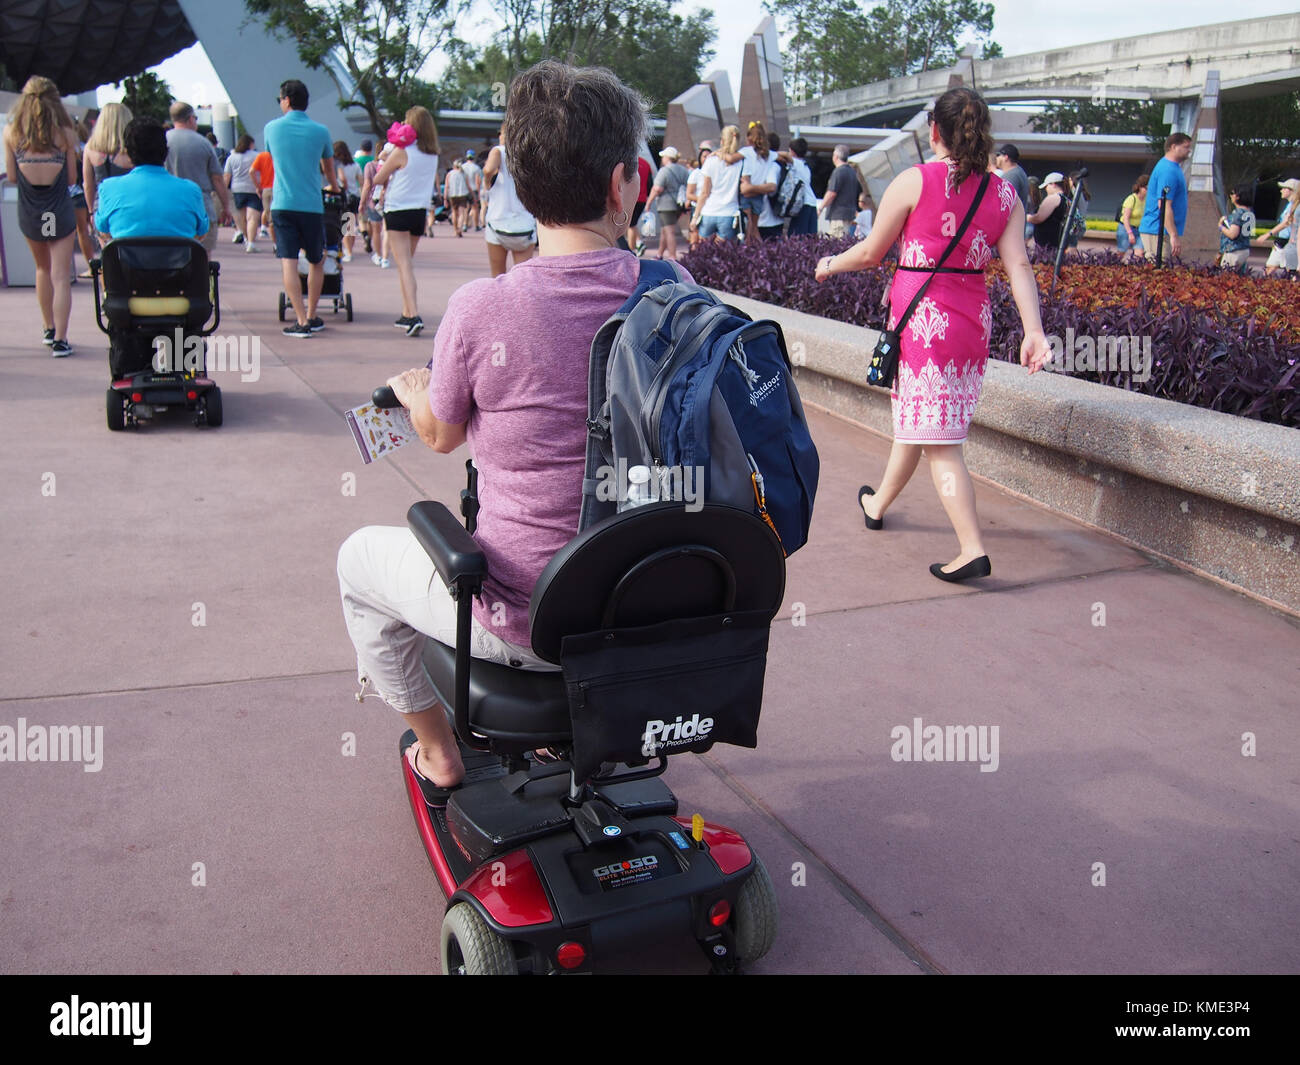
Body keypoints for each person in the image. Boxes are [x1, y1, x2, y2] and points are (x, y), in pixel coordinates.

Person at [336, 60, 693, 803]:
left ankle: (438, 754)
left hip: (530, 624)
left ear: (521, 190)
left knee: (357, 563)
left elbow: (439, 435)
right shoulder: (677, 297)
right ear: (624, 183)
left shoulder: (481, 307)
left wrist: (410, 391)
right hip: (656, 607)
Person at [814, 87, 1051, 582]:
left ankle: (971, 548)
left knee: (941, 442)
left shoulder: (913, 180)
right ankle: (877, 503)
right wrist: (1034, 330)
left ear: (935, 132)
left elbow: (870, 254)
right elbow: (1020, 264)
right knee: (923, 419)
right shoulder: (1004, 192)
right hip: (970, 326)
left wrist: (828, 265)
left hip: (924, 326)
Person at [4, 76, 79, 356]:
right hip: (58, 208)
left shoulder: (12, 133)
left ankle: (48, 328)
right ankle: (61, 338)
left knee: (42, 269)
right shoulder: (66, 135)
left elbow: (12, 176)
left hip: (31, 209)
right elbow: (71, 177)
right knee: (61, 275)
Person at [264, 78, 336, 338]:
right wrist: (335, 187)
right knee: (317, 259)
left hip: (283, 203)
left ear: (286, 100)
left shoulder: (271, 129)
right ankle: (314, 314)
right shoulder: (321, 131)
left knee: (289, 261)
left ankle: (301, 319)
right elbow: (329, 169)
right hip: (312, 205)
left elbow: (276, 158)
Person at [373, 106, 440, 335]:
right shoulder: (432, 154)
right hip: (418, 212)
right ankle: (406, 312)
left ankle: (413, 314)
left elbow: (378, 178)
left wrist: (383, 158)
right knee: (406, 265)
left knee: (404, 266)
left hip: (398, 210)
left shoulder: (402, 152)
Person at [94, 117, 208, 240]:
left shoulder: (109, 188)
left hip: (127, 259)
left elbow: (104, 231)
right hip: (176, 259)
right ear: (166, 151)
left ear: (127, 152)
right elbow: (201, 232)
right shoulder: (191, 190)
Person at [165, 101, 234, 254]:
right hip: (200, 206)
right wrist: (225, 207)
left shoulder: (163, 141)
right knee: (202, 257)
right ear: (190, 118)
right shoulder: (204, 143)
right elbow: (217, 178)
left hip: (169, 206)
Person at [481, 133, 537, 277]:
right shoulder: (529, 155)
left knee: (498, 277)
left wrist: (488, 181)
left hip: (498, 224)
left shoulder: (499, 150)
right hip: (525, 227)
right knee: (522, 280)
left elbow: (488, 169)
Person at [1138, 132, 1192, 260]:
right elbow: (1163, 205)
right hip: (1158, 231)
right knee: (1158, 269)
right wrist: (1173, 235)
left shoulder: (1173, 168)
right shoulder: (1168, 170)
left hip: (1161, 230)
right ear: (1173, 147)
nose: (1189, 151)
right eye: (1186, 147)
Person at [82, 101, 133, 217]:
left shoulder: (90, 147)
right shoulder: (133, 149)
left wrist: (91, 211)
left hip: (102, 207)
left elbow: (88, 185)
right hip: (128, 207)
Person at [694, 125, 742, 242]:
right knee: (724, 255)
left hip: (709, 211)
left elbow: (705, 192)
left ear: (722, 141)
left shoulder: (711, 160)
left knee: (704, 252)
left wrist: (695, 216)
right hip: (729, 212)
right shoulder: (742, 161)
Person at [648, 145, 688, 259]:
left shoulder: (664, 171)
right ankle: (659, 254)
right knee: (665, 230)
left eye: (663, 157)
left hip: (666, 204)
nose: (662, 159)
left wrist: (649, 202)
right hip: (679, 204)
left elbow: (657, 188)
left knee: (669, 231)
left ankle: (672, 256)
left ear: (667, 157)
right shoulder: (683, 170)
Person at [737, 144, 784, 242]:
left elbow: (772, 187)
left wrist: (749, 188)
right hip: (766, 219)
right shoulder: (753, 161)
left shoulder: (772, 165)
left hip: (768, 221)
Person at [223, 134, 262, 251]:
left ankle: (246, 238)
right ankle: (251, 242)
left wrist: (224, 190)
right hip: (253, 189)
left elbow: (227, 175)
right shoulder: (256, 156)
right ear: (250, 144)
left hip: (237, 189)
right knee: (253, 218)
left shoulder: (232, 157)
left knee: (242, 218)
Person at [820, 144, 861, 239]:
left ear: (836, 157)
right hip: (849, 214)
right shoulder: (852, 172)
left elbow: (831, 193)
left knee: (836, 241)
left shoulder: (838, 171)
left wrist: (820, 208)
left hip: (838, 215)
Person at [331, 140, 361, 261]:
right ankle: (349, 249)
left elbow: (342, 179)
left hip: (341, 197)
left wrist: (343, 186)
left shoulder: (337, 165)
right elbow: (362, 181)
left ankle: (347, 252)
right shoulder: (355, 165)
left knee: (343, 226)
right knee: (350, 225)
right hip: (354, 197)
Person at [1217, 184, 1256, 272]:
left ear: (1238, 196)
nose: (1230, 196)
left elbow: (1233, 234)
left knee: (1226, 280)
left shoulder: (1238, 213)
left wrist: (1220, 226)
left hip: (1234, 250)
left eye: (1232, 193)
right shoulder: (1250, 213)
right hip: (1245, 249)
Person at [1263, 178, 1298, 277]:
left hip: (1287, 242)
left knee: (1271, 270)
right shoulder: (1290, 205)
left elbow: (1286, 223)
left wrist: (1268, 234)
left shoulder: (1295, 207)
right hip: (1282, 241)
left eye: (1284, 188)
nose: (1281, 190)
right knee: (1271, 269)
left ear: (1292, 190)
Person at [1027, 172, 1068, 254]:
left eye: (1047, 186)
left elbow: (1039, 218)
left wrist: (1027, 217)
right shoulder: (1066, 199)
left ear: (1053, 184)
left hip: (1047, 246)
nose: (1046, 189)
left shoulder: (1053, 198)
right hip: (1057, 243)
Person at [786, 137, 819, 237]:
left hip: (803, 204)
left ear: (792, 151)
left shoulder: (796, 163)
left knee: (797, 236)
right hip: (812, 203)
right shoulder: (806, 166)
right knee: (810, 238)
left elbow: (781, 155)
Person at [685, 144, 711, 247]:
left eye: (709, 156)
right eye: (704, 156)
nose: (707, 159)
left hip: (711, 209)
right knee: (694, 234)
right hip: (697, 207)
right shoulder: (696, 173)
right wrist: (702, 199)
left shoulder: (714, 172)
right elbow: (689, 194)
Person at [1117, 174, 1147, 261]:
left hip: (1139, 230)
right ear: (1140, 187)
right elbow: (1126, 218)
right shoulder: (1131, 199)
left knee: (1139, 254)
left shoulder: (1146, 200)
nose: (1147, 191)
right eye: (1146, 188)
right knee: (1121, 253)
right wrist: (1130, 233)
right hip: (1126, 229)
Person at [994, 143, 1030, 212]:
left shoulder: (1012, 175)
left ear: (1006, 157)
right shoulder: (1019, 171)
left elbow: (1005, 205)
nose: (997, 158)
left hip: (1011, 221)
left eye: (998, 155)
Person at [250, 146, 275, 239]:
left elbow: (251, 171)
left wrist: (258, 186)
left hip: (266, 189)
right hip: (280, 188)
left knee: (270, 217)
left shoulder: (262, 156)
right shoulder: (280, 155)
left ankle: (276, 244)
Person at [443, 158, 471, 238]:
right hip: (462, 194)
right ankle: (459, 228)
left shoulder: (449, 174)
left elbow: (446, 186)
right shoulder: (464, 173)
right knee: (462, 212)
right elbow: (468, 186)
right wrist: (473, 195)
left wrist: (445, 198)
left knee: (454, 212)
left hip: (452, 195)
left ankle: (455, 230)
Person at [1063, 170, 1091, 248]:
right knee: (1072, 246)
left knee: (1069, 248)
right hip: (1080, 225)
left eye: (1069, 180)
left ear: (1072, 181)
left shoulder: (1076, 194)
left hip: (1073, 226)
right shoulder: (1085, 194)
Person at [460, 148, 483, 233]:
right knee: (475, 208)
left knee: (466, 209)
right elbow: (478, 181)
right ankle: (476, 225)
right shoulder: (476, 168)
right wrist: (479, 192)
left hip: (464, 190)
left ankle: (465, 225)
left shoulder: (462, 167)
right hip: (474, 190)